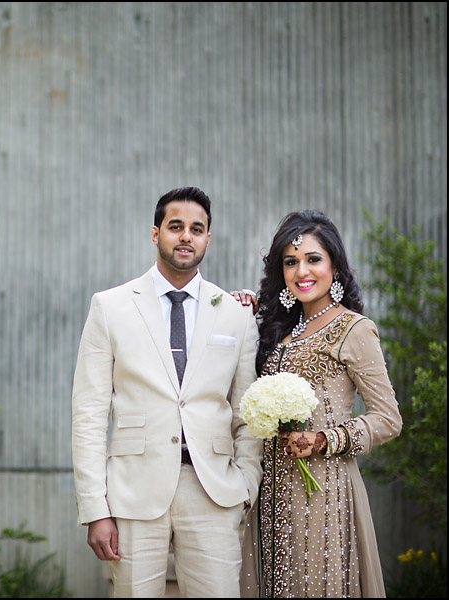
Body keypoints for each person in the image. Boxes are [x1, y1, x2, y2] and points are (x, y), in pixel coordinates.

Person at [71, 186, 263, 597]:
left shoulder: (235, 313)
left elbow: (246, 411)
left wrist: (247, 486)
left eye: (197, 229)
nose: (186, 236)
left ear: (208, 238)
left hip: (214, 491)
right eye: (176, 227)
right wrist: (95, 509)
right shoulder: (111, 306)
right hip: (133, 492)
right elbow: (88, 414)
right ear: (155, 233)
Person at [239, 210, 402, 598]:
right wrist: (240, 312)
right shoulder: (280, 329)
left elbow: (388, 419)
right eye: (291, 262)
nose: (302, 271)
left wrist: (325, 439)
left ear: (334, 265)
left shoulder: (353, 328)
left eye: (313, 259)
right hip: (269, 495)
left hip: (322, 494)